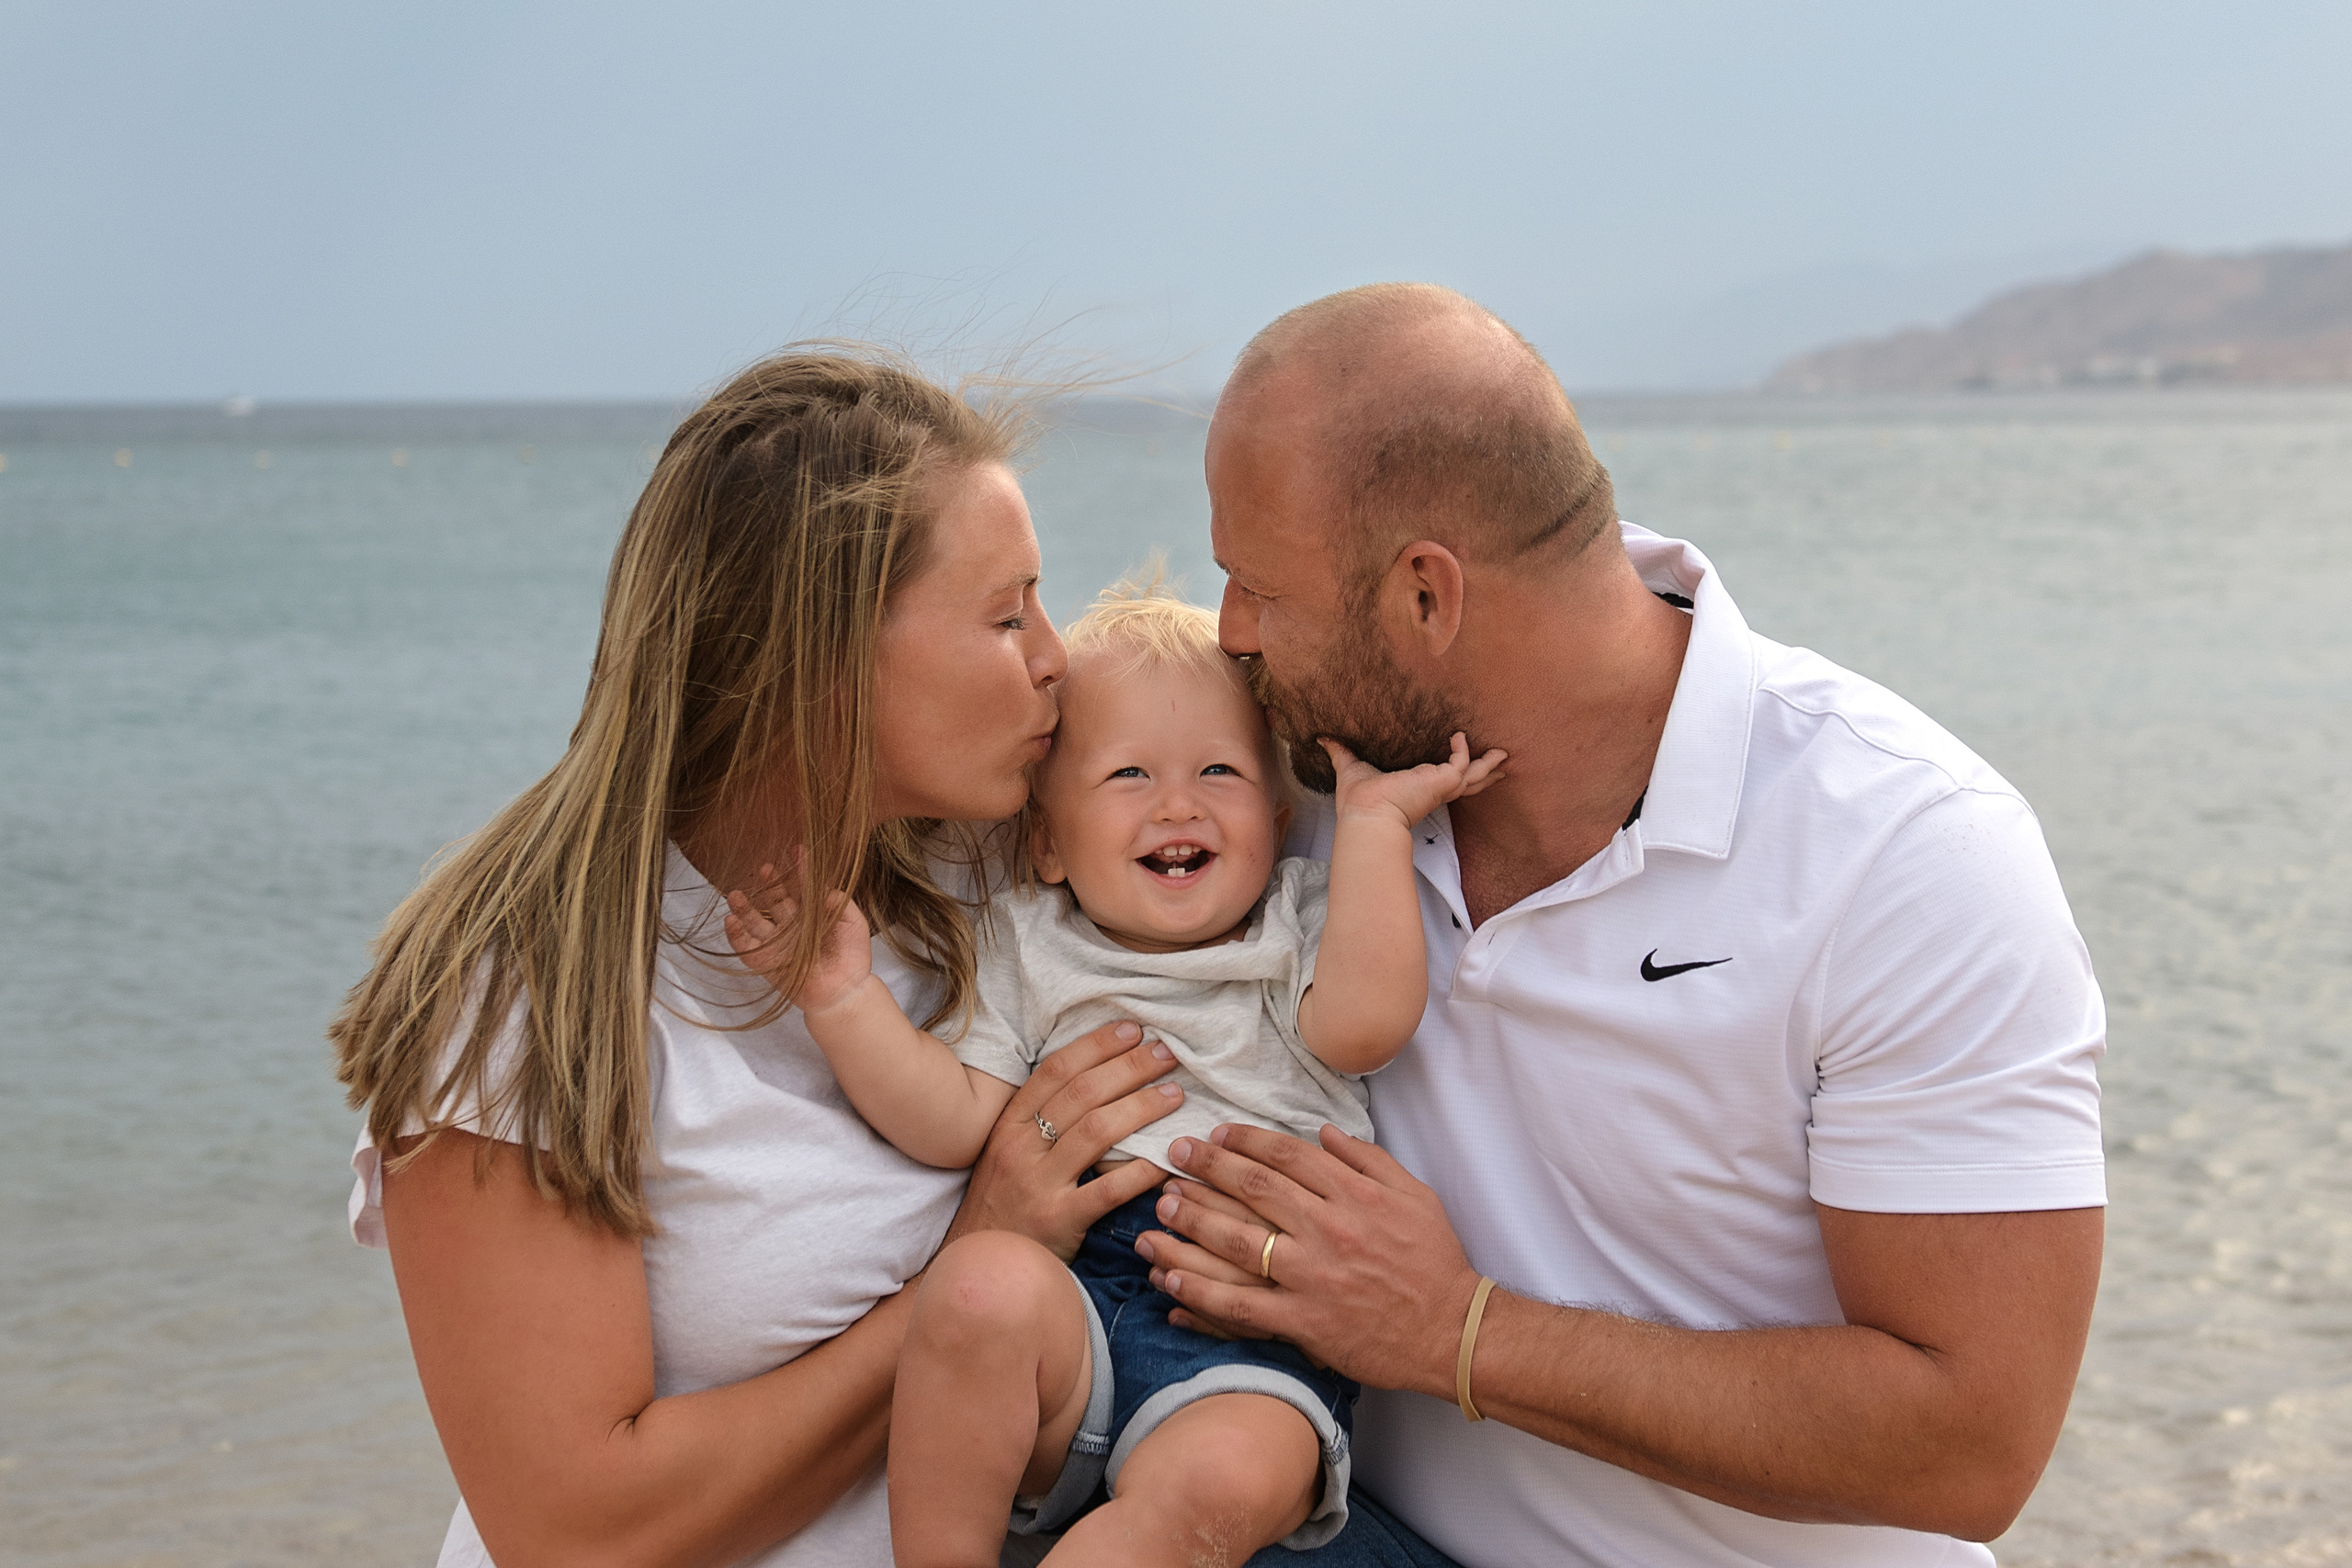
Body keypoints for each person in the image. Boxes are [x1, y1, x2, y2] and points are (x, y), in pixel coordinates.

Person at [1135, 284, 2109, 1567]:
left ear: (1427, 596)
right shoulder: (1283, 784)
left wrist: (1456, 1330)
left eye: (1259, 587)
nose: (1231, 635)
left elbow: (1972, 1442)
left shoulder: (1907, 851)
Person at [330, 349, 1192, 1568]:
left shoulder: (991, 865)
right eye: (1007, 615)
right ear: (823, 654)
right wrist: (978, 1257)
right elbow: (577, 1526)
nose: (1057, 657)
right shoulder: (525, 987)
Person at [722, 580, 1503, 1567]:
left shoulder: (1293, 922)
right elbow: (955, 1119)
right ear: (1045, 844)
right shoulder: (1026, 942)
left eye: (1218, 772)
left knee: (1225, 1482)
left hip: (1245, 1350)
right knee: (970, 1292)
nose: (1177, 802)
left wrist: (1375, 832)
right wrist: (842, 999)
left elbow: (1363, 1027)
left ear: (1272, 818)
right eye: (1129, 774)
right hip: (1069, 1321)